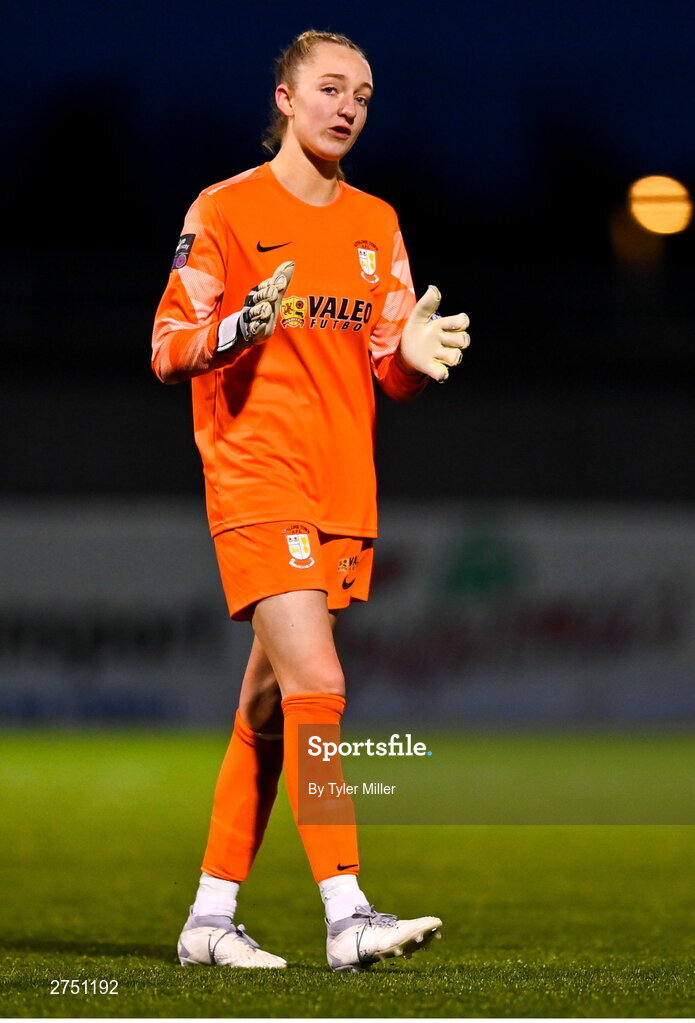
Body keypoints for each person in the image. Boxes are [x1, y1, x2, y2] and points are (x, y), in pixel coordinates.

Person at [151, 29, 470, 973]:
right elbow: (169, 344)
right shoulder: (226, 208)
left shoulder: (377, 222)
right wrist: (236, 324)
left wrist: (407, 359)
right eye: (330, 88)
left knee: (263, 710)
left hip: (340, 492)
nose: (348, 107)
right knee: (318, 685)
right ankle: (348, 913)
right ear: (285, 99)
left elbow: (386, 354)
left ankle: (210, 918)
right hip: (255, 475)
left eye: (363, 96)